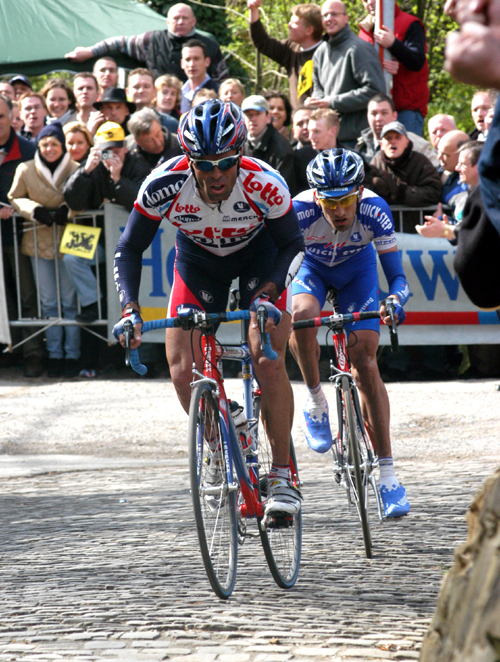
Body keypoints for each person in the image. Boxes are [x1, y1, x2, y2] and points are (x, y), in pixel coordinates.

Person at [113, 100, 305, 516]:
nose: (216, 174)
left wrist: (269, 295)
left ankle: (283, 474)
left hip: (261, 258)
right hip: (199, 263)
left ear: (240, 154)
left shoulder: (264, 182)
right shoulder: (164, 182)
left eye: (226, 162)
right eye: (204, 164)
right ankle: (222, 438)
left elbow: (293, 244)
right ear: (188, 160)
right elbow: (129, 247)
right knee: (183, 367)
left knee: (266, 354)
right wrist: (130, 307)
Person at [290, 148, 410, 518]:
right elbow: (281, 272)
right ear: (316, 197)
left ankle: (389, 476)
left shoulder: (375, 210)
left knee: (366, 363)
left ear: (359, 193)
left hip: (357, 273)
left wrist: (395, 301)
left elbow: (399, 279)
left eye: (346, 201)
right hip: (312, 269)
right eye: (330, 202)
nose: (339, 211)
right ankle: (315, 401)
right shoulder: (299, 211)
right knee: (301, 316)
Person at [8, 123, 81, 378]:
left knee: (70, 302)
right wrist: (34, 210)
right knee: (49, 302)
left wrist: (67, 208)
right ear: (38, 146)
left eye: (54, 144)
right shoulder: (25, 169)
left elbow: (86, 196)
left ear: (62, 147)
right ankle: (55, 355)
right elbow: (14, 197)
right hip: (37, 240)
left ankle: (72, 355)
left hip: (69, 239)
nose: (49, 148)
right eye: (44, 144)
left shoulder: (74, 167)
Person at [62, 122, 150, 324]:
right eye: (105, 151)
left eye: (116, 149)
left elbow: (142, 202)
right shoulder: (90, 164)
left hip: (132, 238)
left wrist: (118, 180)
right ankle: (92, 304)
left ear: (125, 148)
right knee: (70, 257)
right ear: (96, 150)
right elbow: (72, 200)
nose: (111, 155)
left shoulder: (137, 163)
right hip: (97, 234)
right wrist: (85, 172)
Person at [64, 2, 228, 83]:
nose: (180, 22)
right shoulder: (151, 40)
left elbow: (222, 79)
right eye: (176, 18)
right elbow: (119, 42)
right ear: (167, 22)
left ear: (194, 21)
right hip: (159, 104)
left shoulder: (210, 46)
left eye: (185, 18)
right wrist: (90, 52)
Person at [0, 93, 43, 378]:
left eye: (1, 116)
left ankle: (33, 353)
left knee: (28, 296)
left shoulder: (29, 150)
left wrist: (15, 208)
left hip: (21, 236)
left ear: (12, 117)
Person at [306, 0, 386, 147]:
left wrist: (331, 102)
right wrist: (316, 101)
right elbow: (318, 89)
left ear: (346, 18)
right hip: (328, 139)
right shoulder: (319, 52)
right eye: (325, 15)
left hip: (356, 139)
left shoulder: (359, 49)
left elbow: (375, 91)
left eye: (334, 14)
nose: (329, 19)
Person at [358, 0, 429, 136]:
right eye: (365, 0)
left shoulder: (410, 23)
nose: (370, 3)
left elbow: (417, 61)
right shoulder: (364, 31)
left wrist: (393, 44)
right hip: (375, 109)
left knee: (407, 153)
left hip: (405, 109)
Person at [248, 0, 323, 108]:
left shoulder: (328, 53)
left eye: (295, 23)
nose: (289, 25)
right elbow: (262, 42)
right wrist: (253, 10)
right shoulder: (291, 49)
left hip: (320, 120)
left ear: (309, 30)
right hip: (297, 120)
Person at [417, 140, 483, 241]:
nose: (457, 168)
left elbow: (480, 234)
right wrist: (445, 228)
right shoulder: (475, 191)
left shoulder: (490, 195)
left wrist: (446, 230)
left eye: (462, 164)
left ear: (479, 165)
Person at [366, 120, 442, 208]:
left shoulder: (420, 161)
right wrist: (376, 191)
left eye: (398, 137)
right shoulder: (376, 162)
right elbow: (363, 192)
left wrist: (400, 192)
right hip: (383, 220)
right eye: (388, 138)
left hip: (415, 220)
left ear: (406, 142)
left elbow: (434, 193)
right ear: (381, 144)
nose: (393, 141)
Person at [356, 93, 439, 167]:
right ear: (367, 116)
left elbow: (435, 170)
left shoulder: (416, 144)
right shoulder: (361, 145)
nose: (378, 118)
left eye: (384, 113)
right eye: (373, 114)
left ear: (395, 116)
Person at [241, 95, 296, 195]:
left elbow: (283, 191)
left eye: (258, 114)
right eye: (249, 114)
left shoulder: (282, 150)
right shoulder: (238, 144)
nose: (253, 118)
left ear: (268, 117)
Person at [126, 69, 178, 134]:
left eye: (146, 86)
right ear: (127, 92)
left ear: (154, 91)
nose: (141, 90)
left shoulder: (171, 124)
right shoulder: (121, 122)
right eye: (136, 87)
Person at [180, 40, 219, 113]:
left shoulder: (219, 92)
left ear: (207, 61)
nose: (191, 64)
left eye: (196, 59)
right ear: (182, 63)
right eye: (187, 60)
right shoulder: (176, 93)